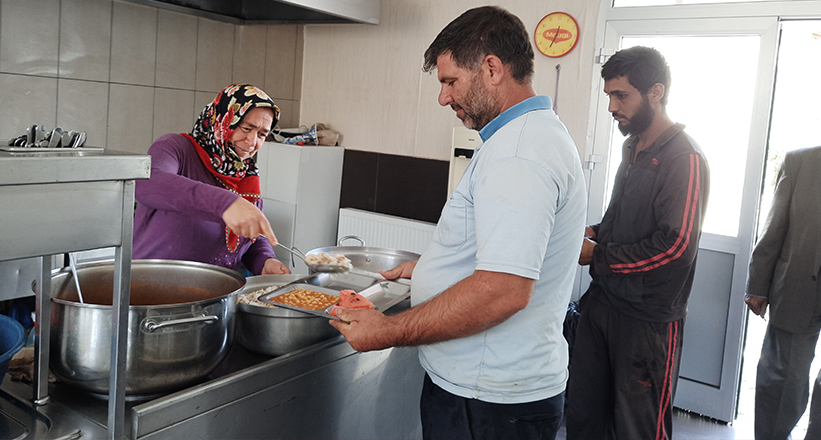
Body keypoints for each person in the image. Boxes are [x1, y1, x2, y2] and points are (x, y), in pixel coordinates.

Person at [329, 6, 587, 440]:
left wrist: (388, 330)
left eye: (450, 81)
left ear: (491, 69)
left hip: (488, 402)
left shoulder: (519, 153)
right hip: (493, 393)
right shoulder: (528, 136)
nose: (443, 97)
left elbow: (503, 291)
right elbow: (509, 256)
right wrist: (430, 268)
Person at [565, 46, 710, 440]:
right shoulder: (631, 148)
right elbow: (617, 222)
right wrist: (590, 233)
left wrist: (598, 256)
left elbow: (676, 247)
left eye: (621, 95)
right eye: (609, 95)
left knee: (636, 429)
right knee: (582, 416)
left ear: (655, 92)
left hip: (647, 323)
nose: (612, 106)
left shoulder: (686, 157)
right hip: (601, 307)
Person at [133, 84, 290, 276]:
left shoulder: (245, 175)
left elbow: (248, 236)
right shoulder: (176, 148)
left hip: (214, 297)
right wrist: (226, 204)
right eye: (247, 128)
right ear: (224, 120)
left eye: (262, 134)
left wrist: (264, 260)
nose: (252, 141)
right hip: (153, 291)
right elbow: (147, 182)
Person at [745, 145, 821, 440]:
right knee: (782, 383)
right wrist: (758, 285)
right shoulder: (800, 162)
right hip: (798, 290)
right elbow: (775, 226)